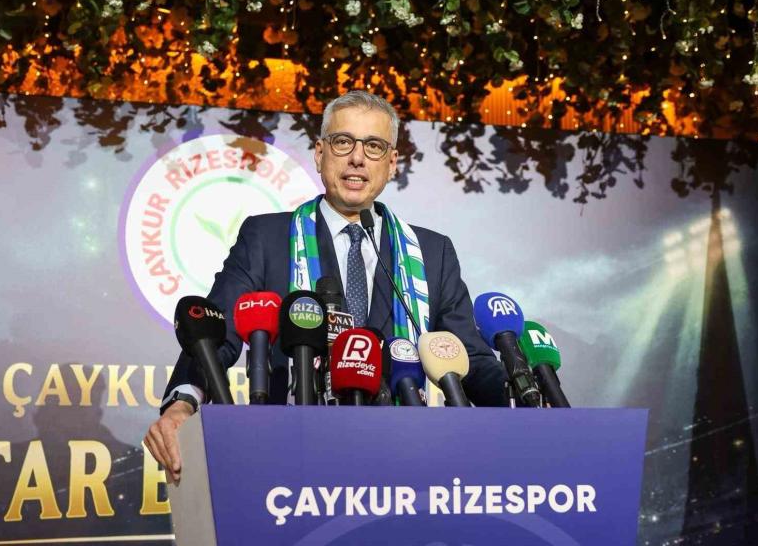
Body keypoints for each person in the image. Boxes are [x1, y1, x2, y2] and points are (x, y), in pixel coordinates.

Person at [144, 91, 508, 479]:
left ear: (392, 164)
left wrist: (530, 400)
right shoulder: (267, 238)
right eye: (343, 142)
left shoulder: (432, 253)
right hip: (291, 457)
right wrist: (182, 403)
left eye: (374, 146)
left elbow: (468, 357)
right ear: (320, 154)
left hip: (405, 460)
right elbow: (216, 335)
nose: (357, 158)